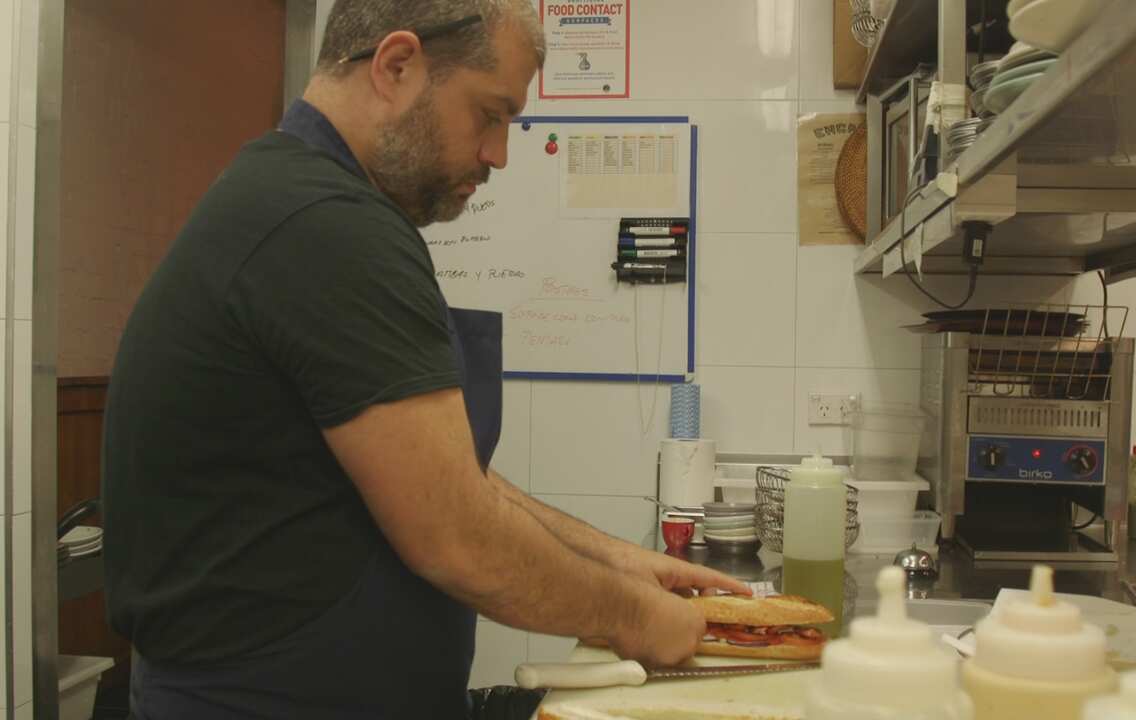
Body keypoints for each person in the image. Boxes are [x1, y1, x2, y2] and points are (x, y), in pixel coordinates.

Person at [101, 2, 748, 718]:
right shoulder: (325, 224)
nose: (499, 154)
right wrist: (634, 617)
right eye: (490, 114)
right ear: (397, 65)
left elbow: (454, 485)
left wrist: (623, 565)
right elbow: (458, 536)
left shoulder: (302, 199)